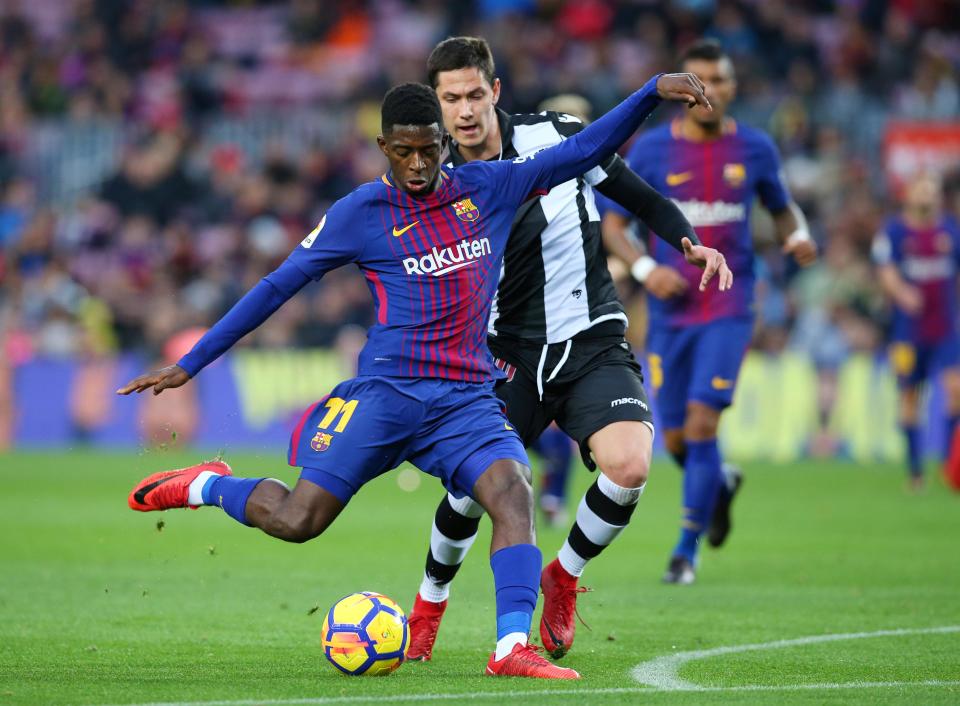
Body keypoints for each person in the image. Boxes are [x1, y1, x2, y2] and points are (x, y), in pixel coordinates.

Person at [117, 75, 713, 678]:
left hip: (464, 399)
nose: (419, 163)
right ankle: (209, 485)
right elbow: (278, 287)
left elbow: (582, 151)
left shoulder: (491, 187)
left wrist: (650, 92)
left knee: (512, 492)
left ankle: (510, 647)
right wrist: (191, 363)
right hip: (386, 394)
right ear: (384, 147)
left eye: (430, 148)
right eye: (404, 151)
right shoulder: (359, 213)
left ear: (445, 143)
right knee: (299, 521)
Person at [406, 36, 732, 662]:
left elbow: (639, 197)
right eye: (452, 99)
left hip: (591, 336)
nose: (466, 110)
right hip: (504, 351)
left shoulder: (557, 136)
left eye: (475, 94)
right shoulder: (437, 183)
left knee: (632, 466)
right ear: (438, 107)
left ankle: (565, 575)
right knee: (472, 490)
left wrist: (686, 241)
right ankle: (430, 601)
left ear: (494, 91)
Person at [603, 39, 817, 585]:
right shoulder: (650, 151)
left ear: (731, 86)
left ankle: (685, 551)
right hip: (668, 310)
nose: (709, 91)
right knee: (673, 437)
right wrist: (650, 271)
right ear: (681, 91)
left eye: (719, 80)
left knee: (702, 422)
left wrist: (797, 236)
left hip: (729, 303)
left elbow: (781, 206)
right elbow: (613, 227)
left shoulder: (756, 148)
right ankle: (718, 483)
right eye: (698, 80)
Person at [872, 174, 960, 491]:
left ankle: (949, 465)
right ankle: (915, 471)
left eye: (933, 190)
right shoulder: (894, 232)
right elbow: (885, 270)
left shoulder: (950, 229)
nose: (928, 196)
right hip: (907, 332)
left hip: (945, 329)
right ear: (908, 195)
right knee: (910, 397)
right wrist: (902, 292)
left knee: (955, 390)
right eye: (923, 189)